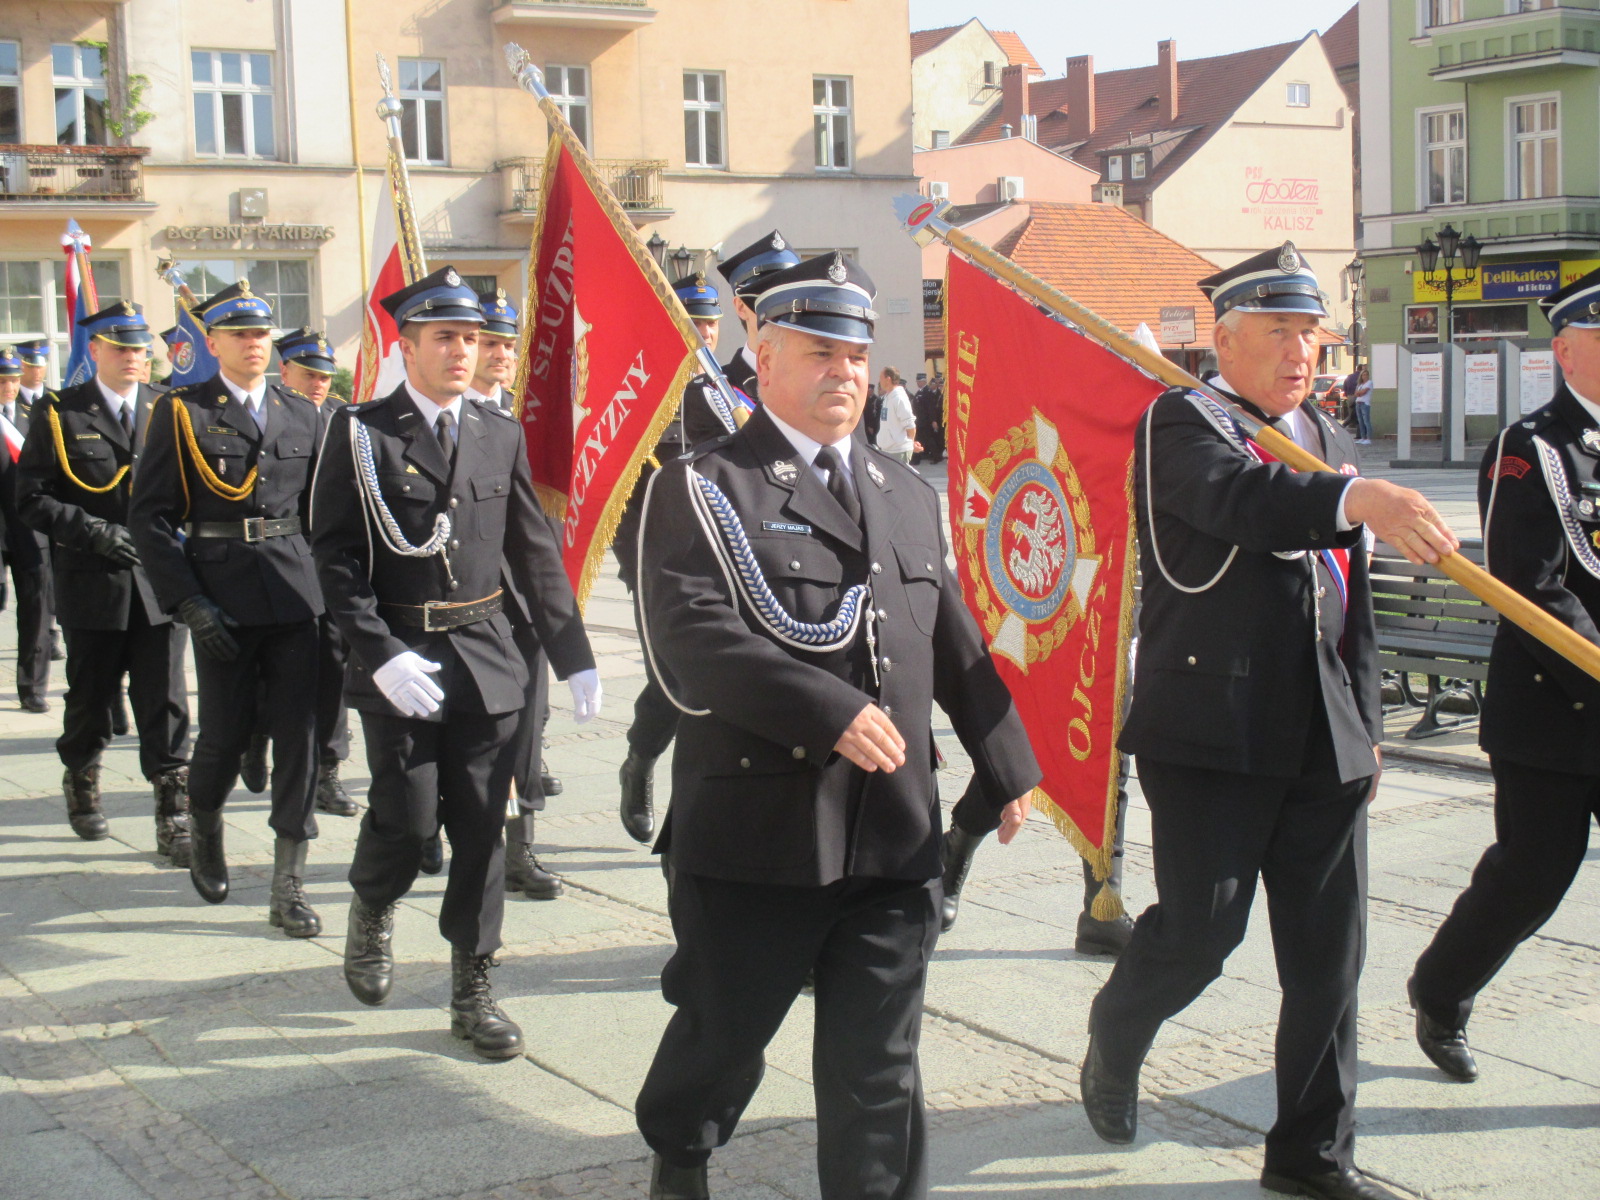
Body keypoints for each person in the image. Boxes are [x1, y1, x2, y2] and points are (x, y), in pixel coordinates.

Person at [632, 250, 1040, 1200]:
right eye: (819, 352)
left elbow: (951, 634)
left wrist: (1005, 759)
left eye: (857, 356)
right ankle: (681, 1149)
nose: (844, 374)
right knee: (722, 1033)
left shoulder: (904, 493)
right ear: (761, 357)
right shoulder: (703, 486)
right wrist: (831, 709)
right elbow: (693, 641)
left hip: (894, 831)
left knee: (879, 1069)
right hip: (761, 832)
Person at [1078, 243, 1459, 1200]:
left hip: (1324, 735)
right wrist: (1351, 497)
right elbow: (1244, 504)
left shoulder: (1325, 436)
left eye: (1312, 334)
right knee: (1200, 937)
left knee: (1330, 963)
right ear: (1226, 337)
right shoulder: (1180, 422)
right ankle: (1118, 1031)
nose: (1302, 353)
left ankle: (1310, 1158)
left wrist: (1367, 718)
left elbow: (1349, 600)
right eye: (1280, 332)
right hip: (1212, 728)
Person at [311, 266, 599, 1058]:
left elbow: (532, 552)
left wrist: (573, 654)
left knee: (482, 831)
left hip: (486, 657)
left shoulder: (496, 432)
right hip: (400, 654)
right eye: (444, 337)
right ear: (407, 347)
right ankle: (372, 907)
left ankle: (473, 986)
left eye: (472, 338)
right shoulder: (360, 433)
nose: (462, 352)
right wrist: (378, 656)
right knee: (406, 822)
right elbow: (334, 558)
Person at [1407, 267, 1600, 1085]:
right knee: (1532, 877)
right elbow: (1531, 581)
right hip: (1554, 708)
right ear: (1564, 350)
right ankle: (1441, 989)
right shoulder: (1533, 448)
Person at [129, 280, 327, 937]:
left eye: (262, 335)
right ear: (210, 343)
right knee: (223, 734)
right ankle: (207, 822)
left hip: (297, 596)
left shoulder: (303, 414)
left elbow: (323, 517)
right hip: (223, 599)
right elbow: (151, 519)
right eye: (239, 335)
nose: (253, 345)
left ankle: (287, 881)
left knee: (298, 739)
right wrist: (188, 602)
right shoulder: (180, 412)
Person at [15, 303, 191, 854]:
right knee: (91, 695)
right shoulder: (59, 414)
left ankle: (172, 811)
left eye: (140, 349)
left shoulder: (169, 409)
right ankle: (83, 781)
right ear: (94, 352)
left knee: (165, 700)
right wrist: (90, 530)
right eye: (121, 348)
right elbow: (31, 499)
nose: (134, 359)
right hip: (95, 579)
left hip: (160, 583)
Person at [615, 272, 744, 846]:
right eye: (691, 324)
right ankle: (640, 761)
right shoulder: (641, 395)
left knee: (721, 686)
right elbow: (618, 492)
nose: (703, 335)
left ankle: (694, 819)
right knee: (671, 679)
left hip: (731, 560)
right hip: (659, 560)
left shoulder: (733, 392)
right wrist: (633, 562)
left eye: (710, 324)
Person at [237, 327, 360, 820]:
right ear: (282, 368)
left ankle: (328, 769)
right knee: (271, 666)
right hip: (280, 559)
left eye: (326, 375)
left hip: (330, 563)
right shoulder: (267, 415)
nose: (319, 384)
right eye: (309, 373)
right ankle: (254, 732)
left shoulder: (345, 419)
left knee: (331, 669)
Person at [466, 288, 564, 899]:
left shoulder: (528, 420)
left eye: (509, 344)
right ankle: (450, 833)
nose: (502, 354)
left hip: (524, 601)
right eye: (491, 343)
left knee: (527, 727)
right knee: (472, 731)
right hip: (465, 602)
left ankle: (520, 847)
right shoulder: (436, 420)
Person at [0, 346, 56, 712]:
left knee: (37, 607)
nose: (11, 386)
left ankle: (32, 686)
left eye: (15, 379)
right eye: (4, 380)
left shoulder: (32, 414)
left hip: (28, 527)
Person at [715, 230, 800, 402]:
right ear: (741, 307)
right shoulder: (714, 393)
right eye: (765, 300)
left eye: (790, 297)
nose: (781, 308)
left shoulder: (822, 384)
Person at [873, 367, 916, 464]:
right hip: (888, 450)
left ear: (888, 379)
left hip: (898, 451)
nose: (879, 381)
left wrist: (911, 443)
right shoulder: (888, 397)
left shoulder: (899, 398)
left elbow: (910, 425)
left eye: (881, 378)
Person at [17, 339, 49, 406]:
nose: (36, 372)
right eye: (30, 367)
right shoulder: (8, 400)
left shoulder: (57, 399)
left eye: (40, 367)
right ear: (20, 366)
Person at [1353, 368, 1373, 445]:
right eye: (1363, 375)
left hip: (1365, 403)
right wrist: (1359, 393)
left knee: (1366, 421)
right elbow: (1356, 393)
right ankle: (1363, 437)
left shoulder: (1369, 383)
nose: (1364, 376)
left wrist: (1359, 393)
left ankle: (1368, 438)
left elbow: (1364, 392)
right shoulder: (1360, 384)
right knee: (1360, 421)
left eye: (1366, 375)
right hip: (1358, 403)